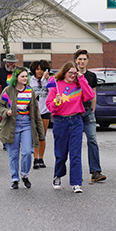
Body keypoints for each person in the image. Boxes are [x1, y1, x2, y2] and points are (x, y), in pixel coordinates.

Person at [46, 61, 95, 193]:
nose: (73, 75)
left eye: (75, 73)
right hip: (60, 121)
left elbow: (90, 95)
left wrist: (82, 78)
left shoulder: (79, 84)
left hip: (76, 121)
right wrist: (56, 103)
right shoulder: (56, 85)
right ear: (65, 72)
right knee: (61, 154)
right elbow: (49, 105)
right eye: (70, 73)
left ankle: (76, 182)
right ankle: (58, 175)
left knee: (75, 154)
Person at [0, 67, 45, 189]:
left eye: (26, 76)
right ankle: (14, 179)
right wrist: (6, 111)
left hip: (27, 124)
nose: (25, 78)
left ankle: (24, 175)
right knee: (13, 154)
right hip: (12, 123)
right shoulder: (8, 90)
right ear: (16, 78)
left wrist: (40, 131)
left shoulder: (30, 91)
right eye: (22, 76)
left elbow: (36, 112)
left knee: (27, 152)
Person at [75, 50, 107, 182]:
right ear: (76, 60)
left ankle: (95, 171)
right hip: (75, 112)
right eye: (80, 59)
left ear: (88, 61)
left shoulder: (92, 76)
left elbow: (93, 95)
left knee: (92, 140)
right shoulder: (72, 75)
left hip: (88, 112)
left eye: (84, 59)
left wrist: (93, 111)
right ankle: (74, 172)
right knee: (75, 143)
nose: (82, 62)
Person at [29, 60, 51, 169]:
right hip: (34, 111)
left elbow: (53, 91)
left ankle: (41, 158)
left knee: (42, 136)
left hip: (45, 111)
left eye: (42, 69)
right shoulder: (30, 80)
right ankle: (35, 158)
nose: (39, 72)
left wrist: (47, 80)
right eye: (37, 69)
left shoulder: (48, 80)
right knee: (35, 136)